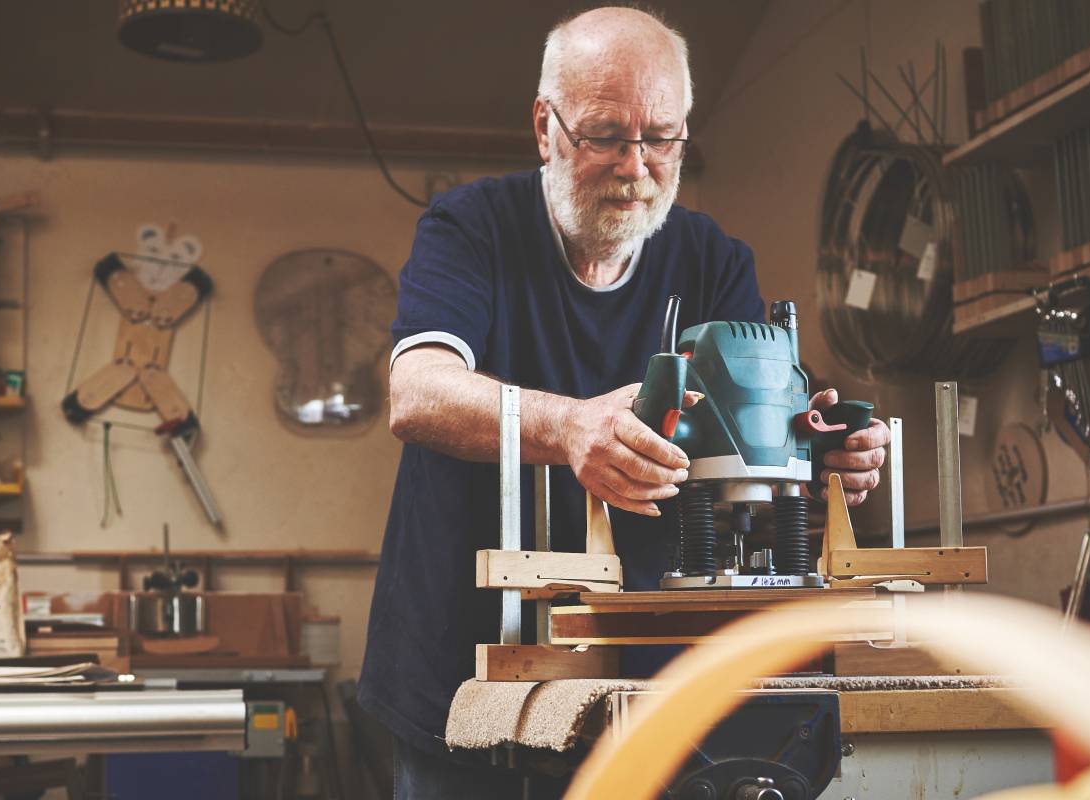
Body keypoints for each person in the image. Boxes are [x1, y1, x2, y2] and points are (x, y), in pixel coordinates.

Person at [356, 7, 891, 798]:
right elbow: (417, 391)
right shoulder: (470, 229)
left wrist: (818, 453)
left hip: (646, 682)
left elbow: (753, 434)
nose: (636, 167)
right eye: (605, 136)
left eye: (661, 138)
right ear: (546, 127)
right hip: (464, 668)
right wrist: (570, 426)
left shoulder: (712, 260)